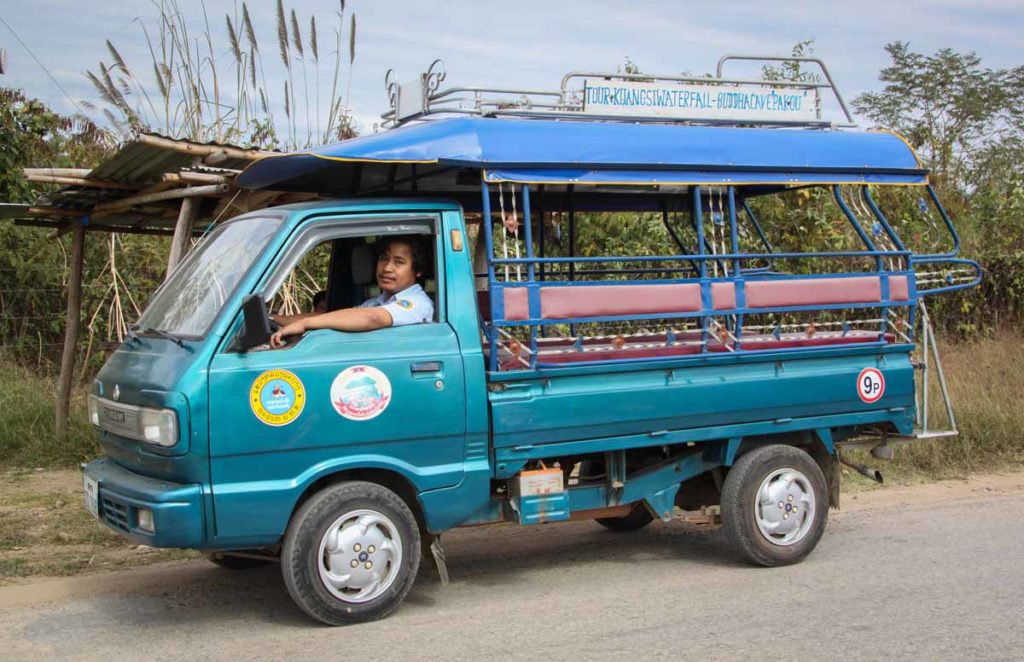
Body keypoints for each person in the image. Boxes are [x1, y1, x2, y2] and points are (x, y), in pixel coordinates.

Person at [269, 236, 433, 348]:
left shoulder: (417, 303)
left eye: (399, 262)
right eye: (384, 258)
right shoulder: (377, 302)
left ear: (417, 270)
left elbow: (372, 318)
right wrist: (274, 319)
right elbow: (334, 317)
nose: (387, 268)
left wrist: (304, 324)